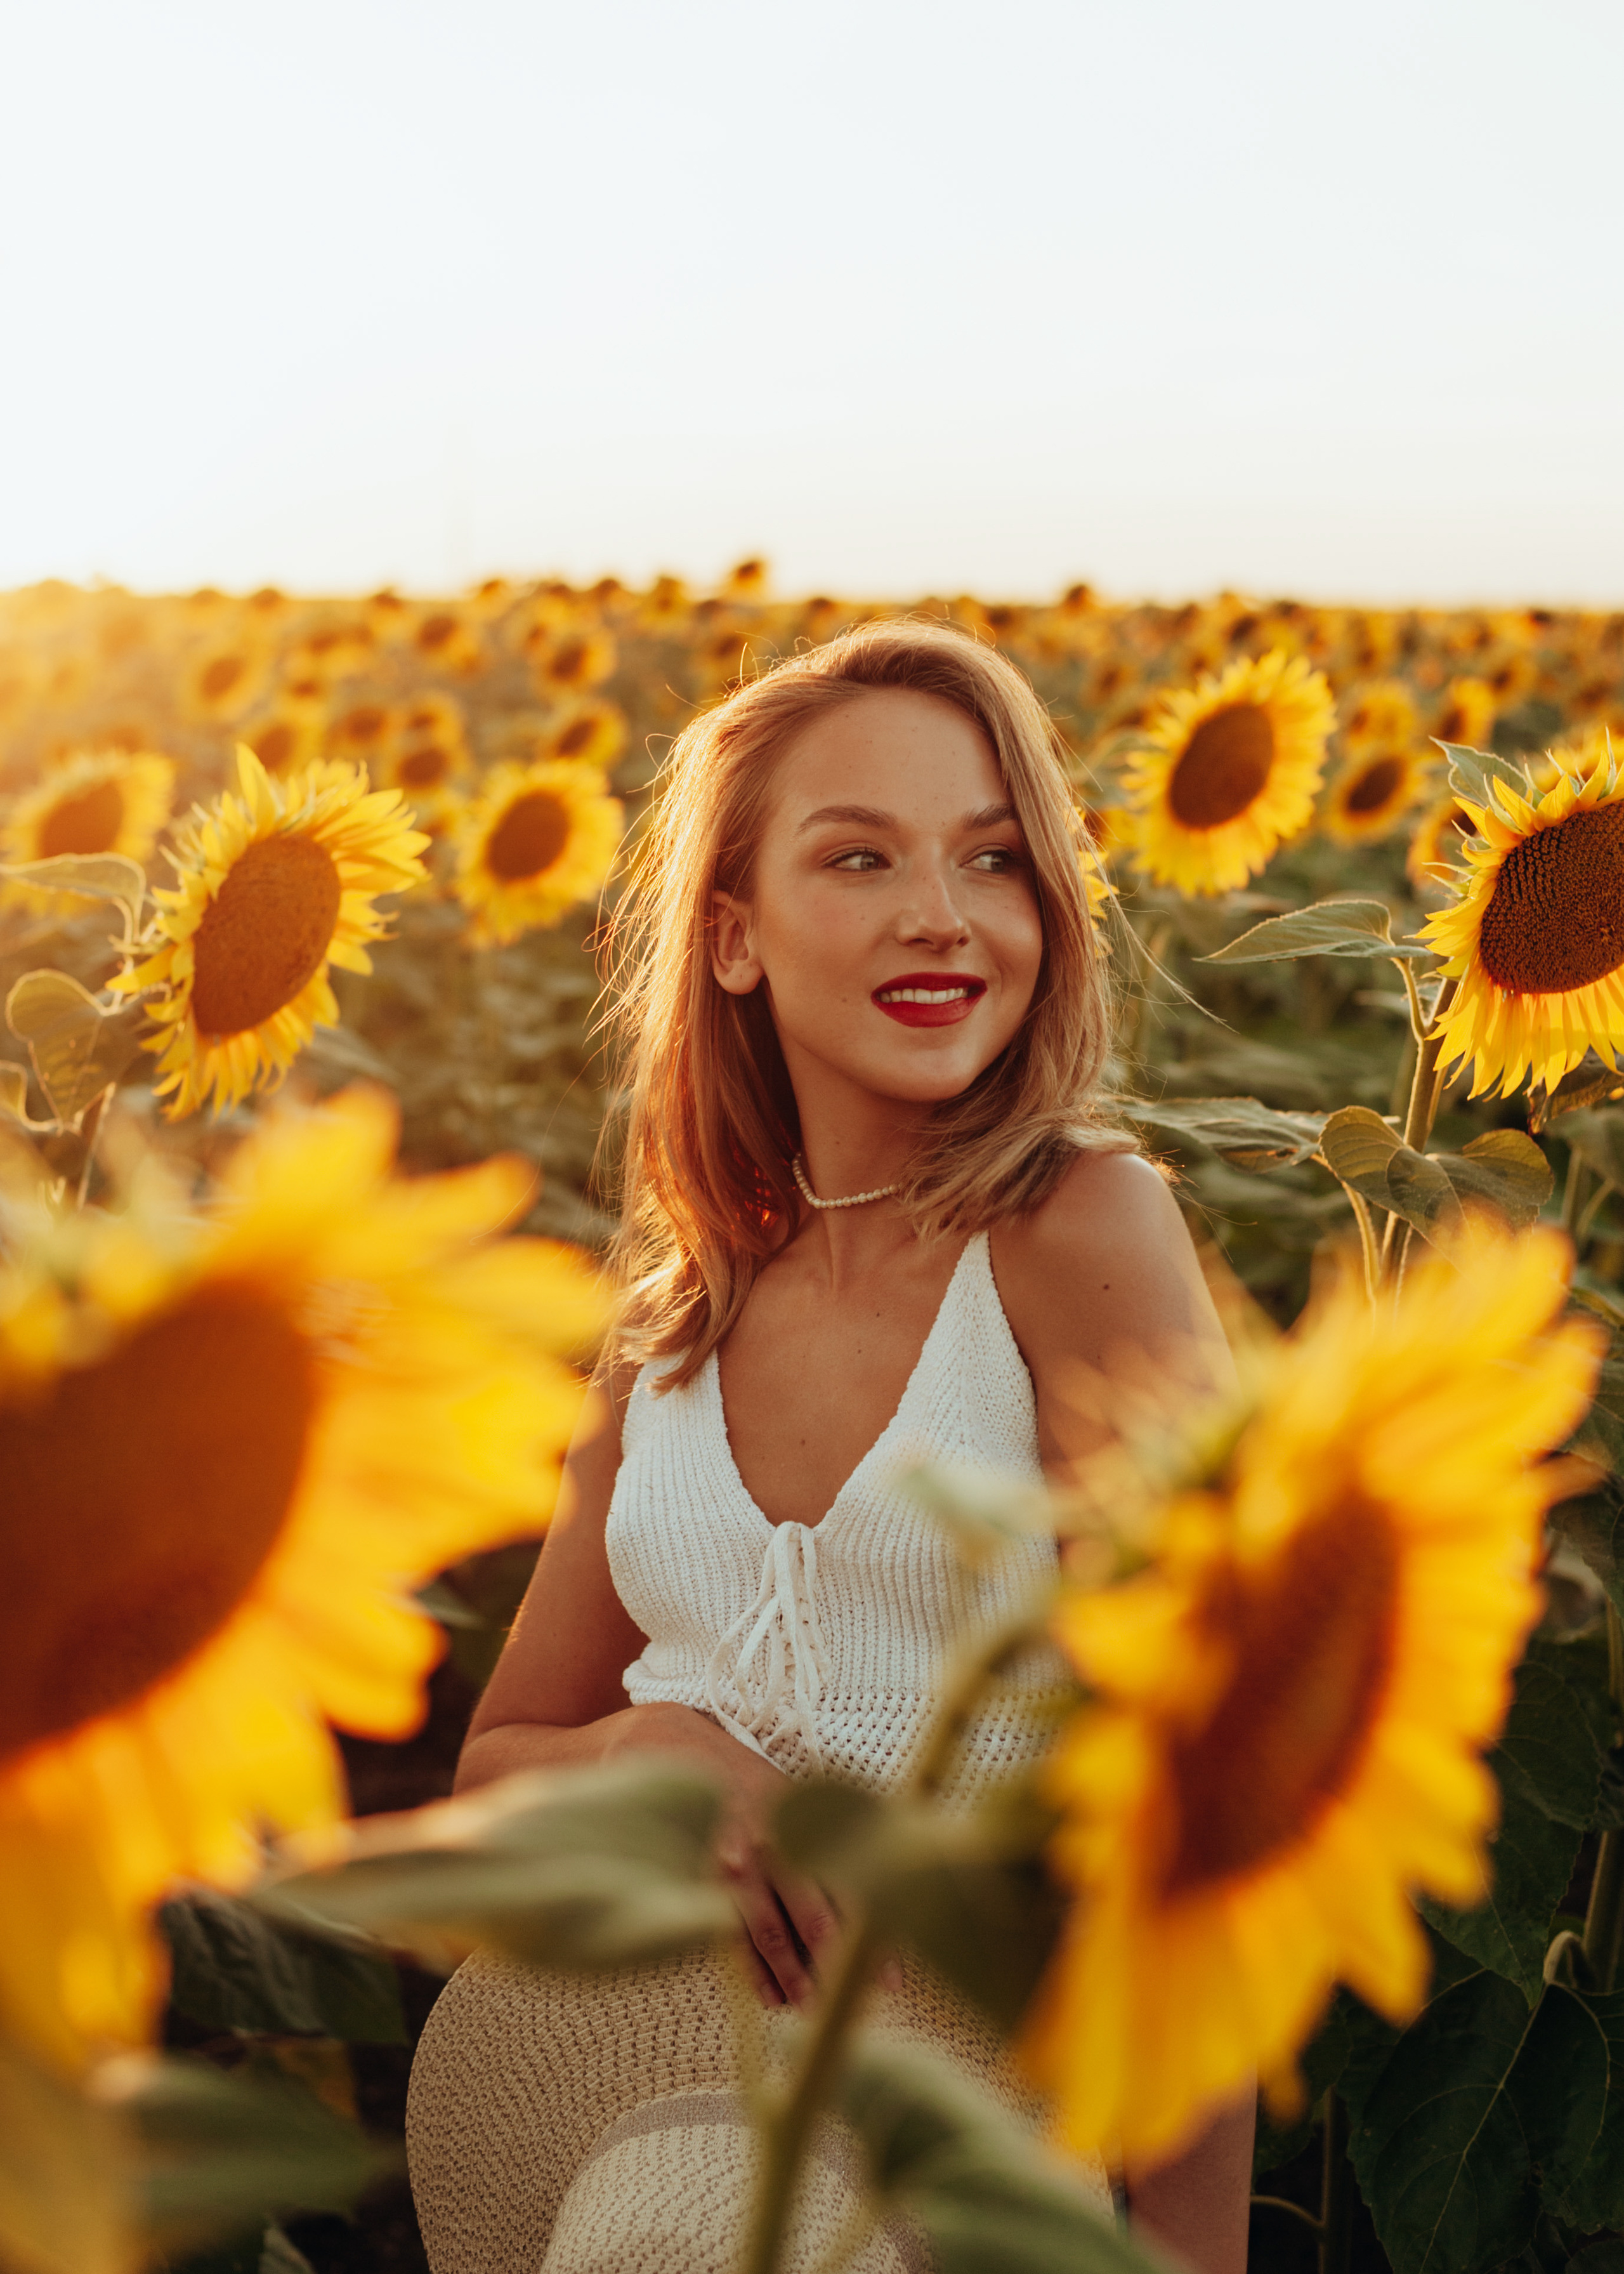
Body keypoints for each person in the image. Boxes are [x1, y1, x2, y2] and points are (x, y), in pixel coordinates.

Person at [407, 620, 1253, 2274]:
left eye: (991, 857)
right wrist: (650, 1754)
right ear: (731, 936)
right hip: (629, 2073)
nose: (941, 912)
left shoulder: (1078, 1236)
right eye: (860, 856)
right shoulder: (673, 1318)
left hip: (951, 2091)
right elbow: (495, 1767)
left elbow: (1202, 1802)